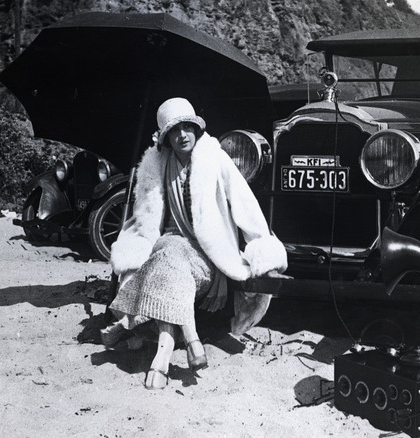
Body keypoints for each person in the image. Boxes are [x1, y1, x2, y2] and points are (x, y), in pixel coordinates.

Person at [101, 97, 287, 389]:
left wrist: (260, 247)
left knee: (168, 256)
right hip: (165, 251)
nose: (183, 135)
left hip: (205, 255)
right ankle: (182, 344)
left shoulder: (214, 158)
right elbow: (144, 219)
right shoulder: (156, 166)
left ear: (196, 130)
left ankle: (178, 343)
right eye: (175, 131)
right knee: (168, 252)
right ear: (165, 138)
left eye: (188, 127)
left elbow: (244, 204)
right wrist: (135, 246)